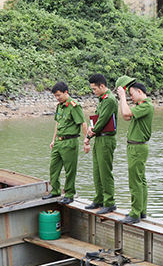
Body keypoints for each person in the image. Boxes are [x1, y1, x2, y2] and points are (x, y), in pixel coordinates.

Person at [115, 75, 154, 224]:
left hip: (137, 147)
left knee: (135, 180)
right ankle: (141, 211)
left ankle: (135, 213)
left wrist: (123, 96)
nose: (130, 98)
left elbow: (125, 113)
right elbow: (126, 117)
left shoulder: (146, 105)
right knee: (141, 179)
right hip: (136, 146)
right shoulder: (141, 106)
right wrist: (122, 99)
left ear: (139, 91)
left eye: (131, 94)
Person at [43, 81, 87, 205]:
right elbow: (58, 123)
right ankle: (55, 190)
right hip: (58, 141)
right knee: (53, 167)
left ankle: (69, 194)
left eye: (59, 95)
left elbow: (83, 123)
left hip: (70, 141)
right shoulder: (60, 106)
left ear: (66, 92)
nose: (57, 98)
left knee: (70, 170)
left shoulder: (74, 106)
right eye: (55, 96)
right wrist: (53, 139)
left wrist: (86, 140)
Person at [84, 74, 118, 215]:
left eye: (94, 89)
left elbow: (102, 120)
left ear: (102, 86)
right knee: (97, 171)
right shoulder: (102, 99)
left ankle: (109, 202)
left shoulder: (110, 100)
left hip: (106, 139)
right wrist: (91, 131)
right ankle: (99, 199)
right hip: (99, 138)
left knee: (105, 171)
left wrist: (89, 135)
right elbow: (97, 121)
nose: (94, 92)